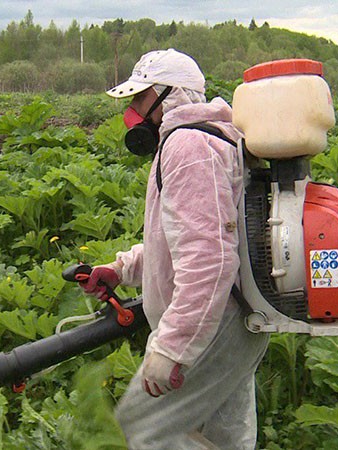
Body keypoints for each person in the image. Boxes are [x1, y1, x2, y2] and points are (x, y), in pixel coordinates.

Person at [81, 49, 269, 449]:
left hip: (213, 324)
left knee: (140, 431)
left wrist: (172, 348)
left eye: (140, 99)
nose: (132, 113)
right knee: (225, 438)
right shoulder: (209, 139)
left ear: (171, 96)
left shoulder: (187, 148)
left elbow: (210, 261)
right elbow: (182, 239)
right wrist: (122, 269)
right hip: (235, 318)